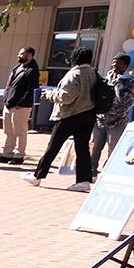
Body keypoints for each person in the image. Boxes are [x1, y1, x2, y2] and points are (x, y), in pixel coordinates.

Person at [23, 46, 97, 192]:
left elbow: (66, 96)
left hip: (69, 115)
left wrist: (49, 94)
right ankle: (83, 180)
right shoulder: (93, 73)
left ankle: (37, 176)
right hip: (88, 114)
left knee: (53, 146)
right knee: (82, 148)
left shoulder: (74, 74)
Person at [91, 53, 134, 167]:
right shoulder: (107, 78)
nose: (114, 65)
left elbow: (123, 99)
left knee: (113, 149)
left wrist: (119, 81)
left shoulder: (131, 81)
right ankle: (91, 171)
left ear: (125, 65)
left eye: (118, 63)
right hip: (100, 120)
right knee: (95, 147)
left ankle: (107, 170)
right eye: (113, 62)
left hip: (117, 121)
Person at [0, 47, 39, 164]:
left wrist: (21, 103)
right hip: (9, 103)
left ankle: (19, 156)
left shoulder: (33, 70)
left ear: (29, 56)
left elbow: (32, 89)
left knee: (20, 132)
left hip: (21, 107)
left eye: (22, 54)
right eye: (19, 53)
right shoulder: (17, 67)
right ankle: (7, 154)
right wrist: (5, 98)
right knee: (9, 131)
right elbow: (10, 85)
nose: (19, 56)